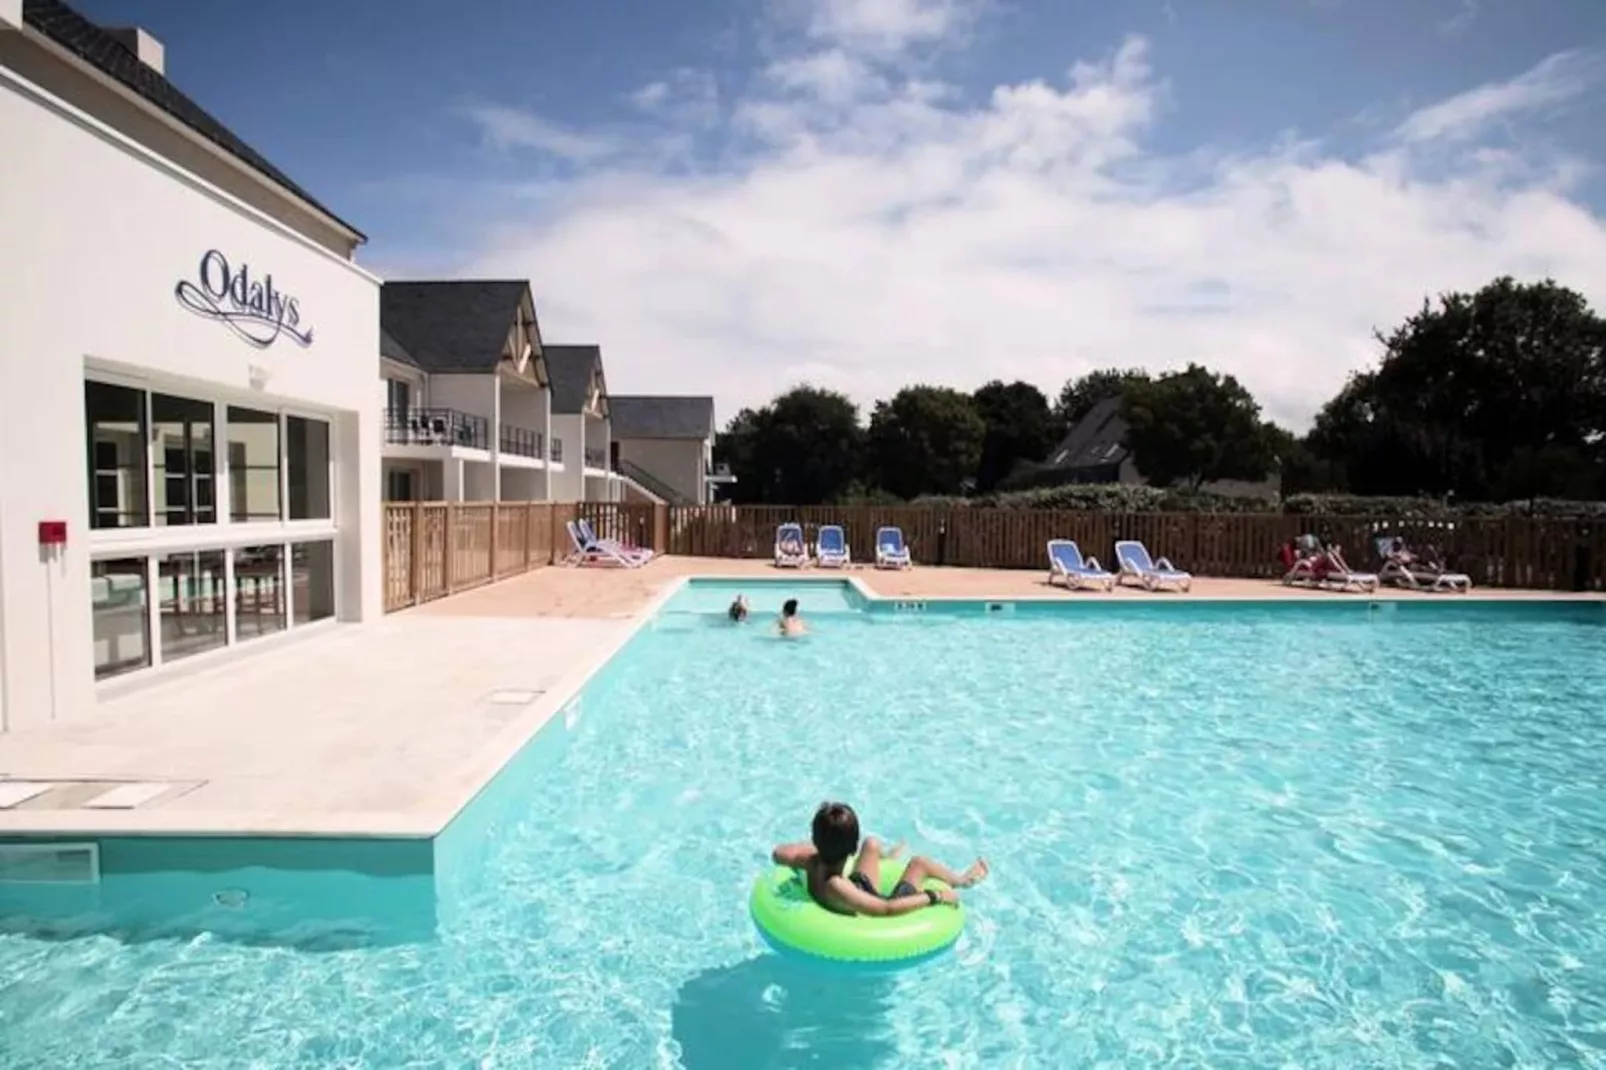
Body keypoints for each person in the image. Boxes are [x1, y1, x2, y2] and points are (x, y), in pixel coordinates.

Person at [771, 801, 989, 917]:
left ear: (815, 839)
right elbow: (886, 909)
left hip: (858, 888)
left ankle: (888, 858)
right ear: (851, 849)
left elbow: (778, 853)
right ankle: (962, 881)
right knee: (919, 863)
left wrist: (818, 845)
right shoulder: (836, 886)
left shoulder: (810, 861)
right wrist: (935, 895)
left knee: (872, 844)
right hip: (868, 901)